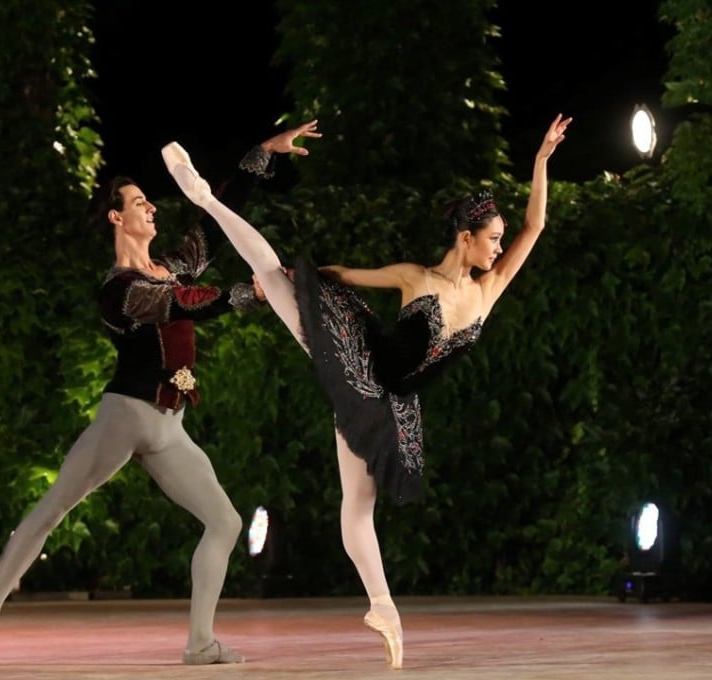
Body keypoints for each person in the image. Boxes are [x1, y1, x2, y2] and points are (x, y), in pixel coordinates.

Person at [159, 113, 572, 670]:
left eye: (500, 241)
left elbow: (535, 228)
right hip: (356, 361)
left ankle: (384, 608)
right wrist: (291, 282)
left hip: (395, 407)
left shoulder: (490, 290)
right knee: (275, 272)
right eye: (491, 240)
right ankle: (207, 198)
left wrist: (541, 161)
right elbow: (345, 276)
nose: (499, 250)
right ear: (465, 237)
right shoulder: (415, 277)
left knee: (357, 510)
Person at [0, 119, 322, 668]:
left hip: (169, 427)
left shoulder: (167, 268)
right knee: (52, 509)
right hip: (124, 418)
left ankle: (200, 643)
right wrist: (249, 293)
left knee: (225, 522)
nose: (152, 208)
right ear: (116, 216)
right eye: (140, 201)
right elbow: (182, 303)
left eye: (151, 201)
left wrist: (262, 153)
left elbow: (217, 224)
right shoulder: (118, 290)